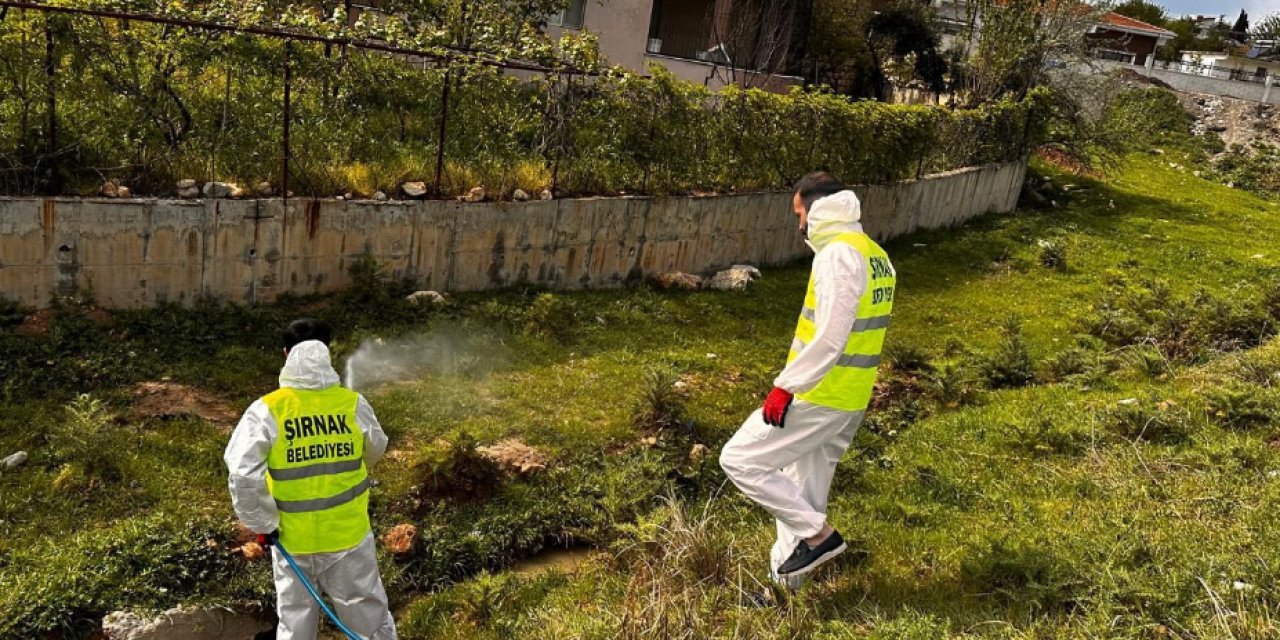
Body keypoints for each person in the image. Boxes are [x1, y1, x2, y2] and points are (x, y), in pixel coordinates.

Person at [719, 172, 896, 591]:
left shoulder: (837, 256)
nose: (798, 224)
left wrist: (787, 385)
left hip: (818, 394)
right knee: (802, 490)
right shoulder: (875, 254)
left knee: (740, 459)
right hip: (849, 397)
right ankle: (786, 591)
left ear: (815, 208)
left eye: (799, 213)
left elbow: (830, 336)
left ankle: (821, 537)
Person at [225, 318, 398, 640]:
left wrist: (263, 524)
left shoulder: (266, 410)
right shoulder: (351, 404)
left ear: (285, 353)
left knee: (296, 624)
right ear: (326, 353)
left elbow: (242, 473)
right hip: (349, 537)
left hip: (293, 540)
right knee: (368, 622)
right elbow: (375, 448)